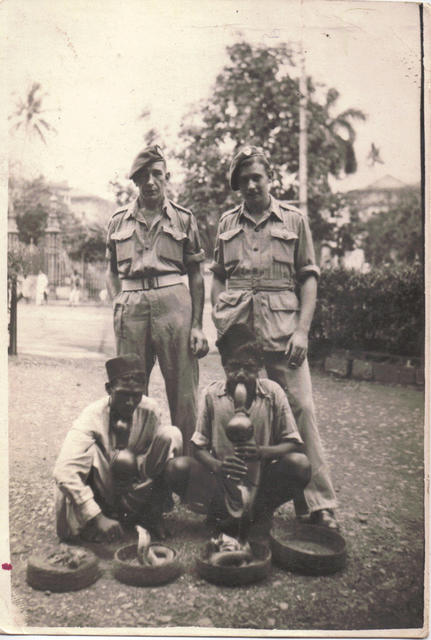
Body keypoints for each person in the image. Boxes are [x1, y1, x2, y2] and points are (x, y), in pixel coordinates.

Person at [209, 145, 338, 529]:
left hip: (283, 330)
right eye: (243, 180)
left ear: (270, 178)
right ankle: (233, 499)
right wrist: (220, 314)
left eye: (257, 177)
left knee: (301, 408)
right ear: (236, 186)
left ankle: (318, 503)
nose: (250, 185)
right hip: (240, 331)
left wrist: (302, 331)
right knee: (237, 409)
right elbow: (217, 273)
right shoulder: (226, 223)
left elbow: (309, 277)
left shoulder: (294, 220)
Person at [106, 145, 208, 455]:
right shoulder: (117, 221)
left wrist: (197, 326)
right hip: (132, 305)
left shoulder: (183, 219)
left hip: (173, 303)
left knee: (184, 393)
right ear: (134, 181)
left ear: (166, 177)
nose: (150, 181)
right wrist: (118, 303)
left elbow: (197, 275)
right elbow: (111, 272)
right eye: (143, 176)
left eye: (157, 175)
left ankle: (188, 471)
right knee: (129, 388)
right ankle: (134, 466)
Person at [165, 324, 311, 536]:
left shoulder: (273, 392)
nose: (241, 374)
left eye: (249, 368)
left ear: (260, 366)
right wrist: (218, 465)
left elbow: (294, 443)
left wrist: (262, 452)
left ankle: (258, 512)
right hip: (222, 480)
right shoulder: (212, 394)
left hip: (260, 480)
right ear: (224, 365)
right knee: (176, 468)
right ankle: (220, 512)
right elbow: (198, 447)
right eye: (233, 367)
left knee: (300, 464)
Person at [53, 354, 183, 542]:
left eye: (136, 395)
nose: (130, 402)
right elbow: (63, 471)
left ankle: (150, 517)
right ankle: (97, 520)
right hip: (102, 488)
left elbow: (156, 466)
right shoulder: (92, 415)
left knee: (171, 435)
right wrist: (96, 516)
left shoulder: (150, 411)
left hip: (133, 486)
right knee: (88, 453)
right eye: (123, 394)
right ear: (109, 389)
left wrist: (154, 505)